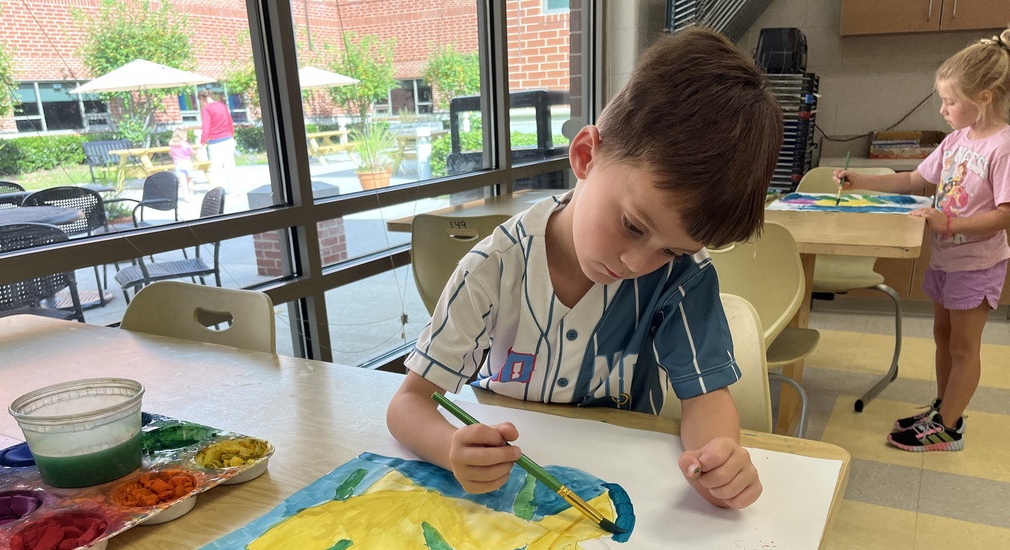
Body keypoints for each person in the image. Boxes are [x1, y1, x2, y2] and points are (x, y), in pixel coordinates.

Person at [387, 28, 783, 511]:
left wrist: (717, 458)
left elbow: (706, 399)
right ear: (585, 156)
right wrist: (449, 448)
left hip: (622, 493)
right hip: (503, 492)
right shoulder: (491, 269)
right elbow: (408, 404)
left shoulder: (685, 277)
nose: (638, 264)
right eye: (632, 226)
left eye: (671, 250)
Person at [835, 27, 1010, 453]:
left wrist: (949, 225)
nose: (944, 109)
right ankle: (942, 407)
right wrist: (861, 180)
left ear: (984, 98)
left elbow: (1006, 214)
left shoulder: (1003, 147)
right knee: (943, 337)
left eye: (951, 101)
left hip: (978, 265)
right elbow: (914, 178)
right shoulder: (954, 141)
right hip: (946, 261)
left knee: (965, 348)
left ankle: (949, 428)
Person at [198, 89, 236, 194]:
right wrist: (231, 135)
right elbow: (230, 121)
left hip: (215, 141)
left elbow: (206, 126)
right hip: (228, 139)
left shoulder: (206, 109)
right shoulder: (221, 105)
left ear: (202, 99)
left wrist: (202, 142)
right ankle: (234, 190)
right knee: (230, 165)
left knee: (217, 167)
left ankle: (219, 191)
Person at [168, 127, 196, 201]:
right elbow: (192, 152)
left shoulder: (172, 145)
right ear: (183, 137)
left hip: (178, 165)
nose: (186, 138)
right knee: (189, 181)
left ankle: (186, 195)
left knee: (182, 182)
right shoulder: (186, 144)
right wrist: (196, 152)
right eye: (186, 137)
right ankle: (191, 194)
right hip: (187, 164)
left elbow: (170, 146)